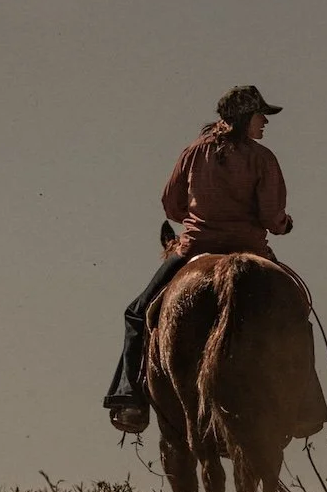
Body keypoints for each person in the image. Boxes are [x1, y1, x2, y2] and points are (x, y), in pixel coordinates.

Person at [104, 85, 308, 434]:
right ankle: (305, 405)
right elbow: (272, 215)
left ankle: (130, 399)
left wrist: (201, 219)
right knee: (298, 310)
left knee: (138, 312)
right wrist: (283, 225)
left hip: (194, 248)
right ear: (245, 117)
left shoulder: (193, 153)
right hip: (251, 250)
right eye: (261, 116)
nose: (265, 123)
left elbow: (171, 206)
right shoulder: (263, 158)